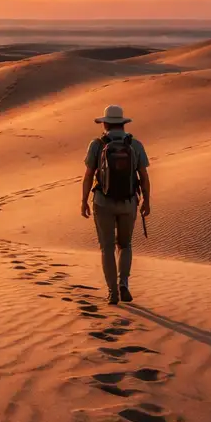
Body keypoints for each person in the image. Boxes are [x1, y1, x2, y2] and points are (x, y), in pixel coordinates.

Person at [79, 105, 151, 305]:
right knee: (125, 245)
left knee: (107, 247)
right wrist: (146, 200)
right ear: (123, 124)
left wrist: (84, 201)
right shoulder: (135, 145)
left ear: (105, 123)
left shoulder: (97, 144)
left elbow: (88, 176)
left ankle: (112, 292)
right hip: (128, 202)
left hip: (103, 202)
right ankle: (124, 283)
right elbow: (143, 176)